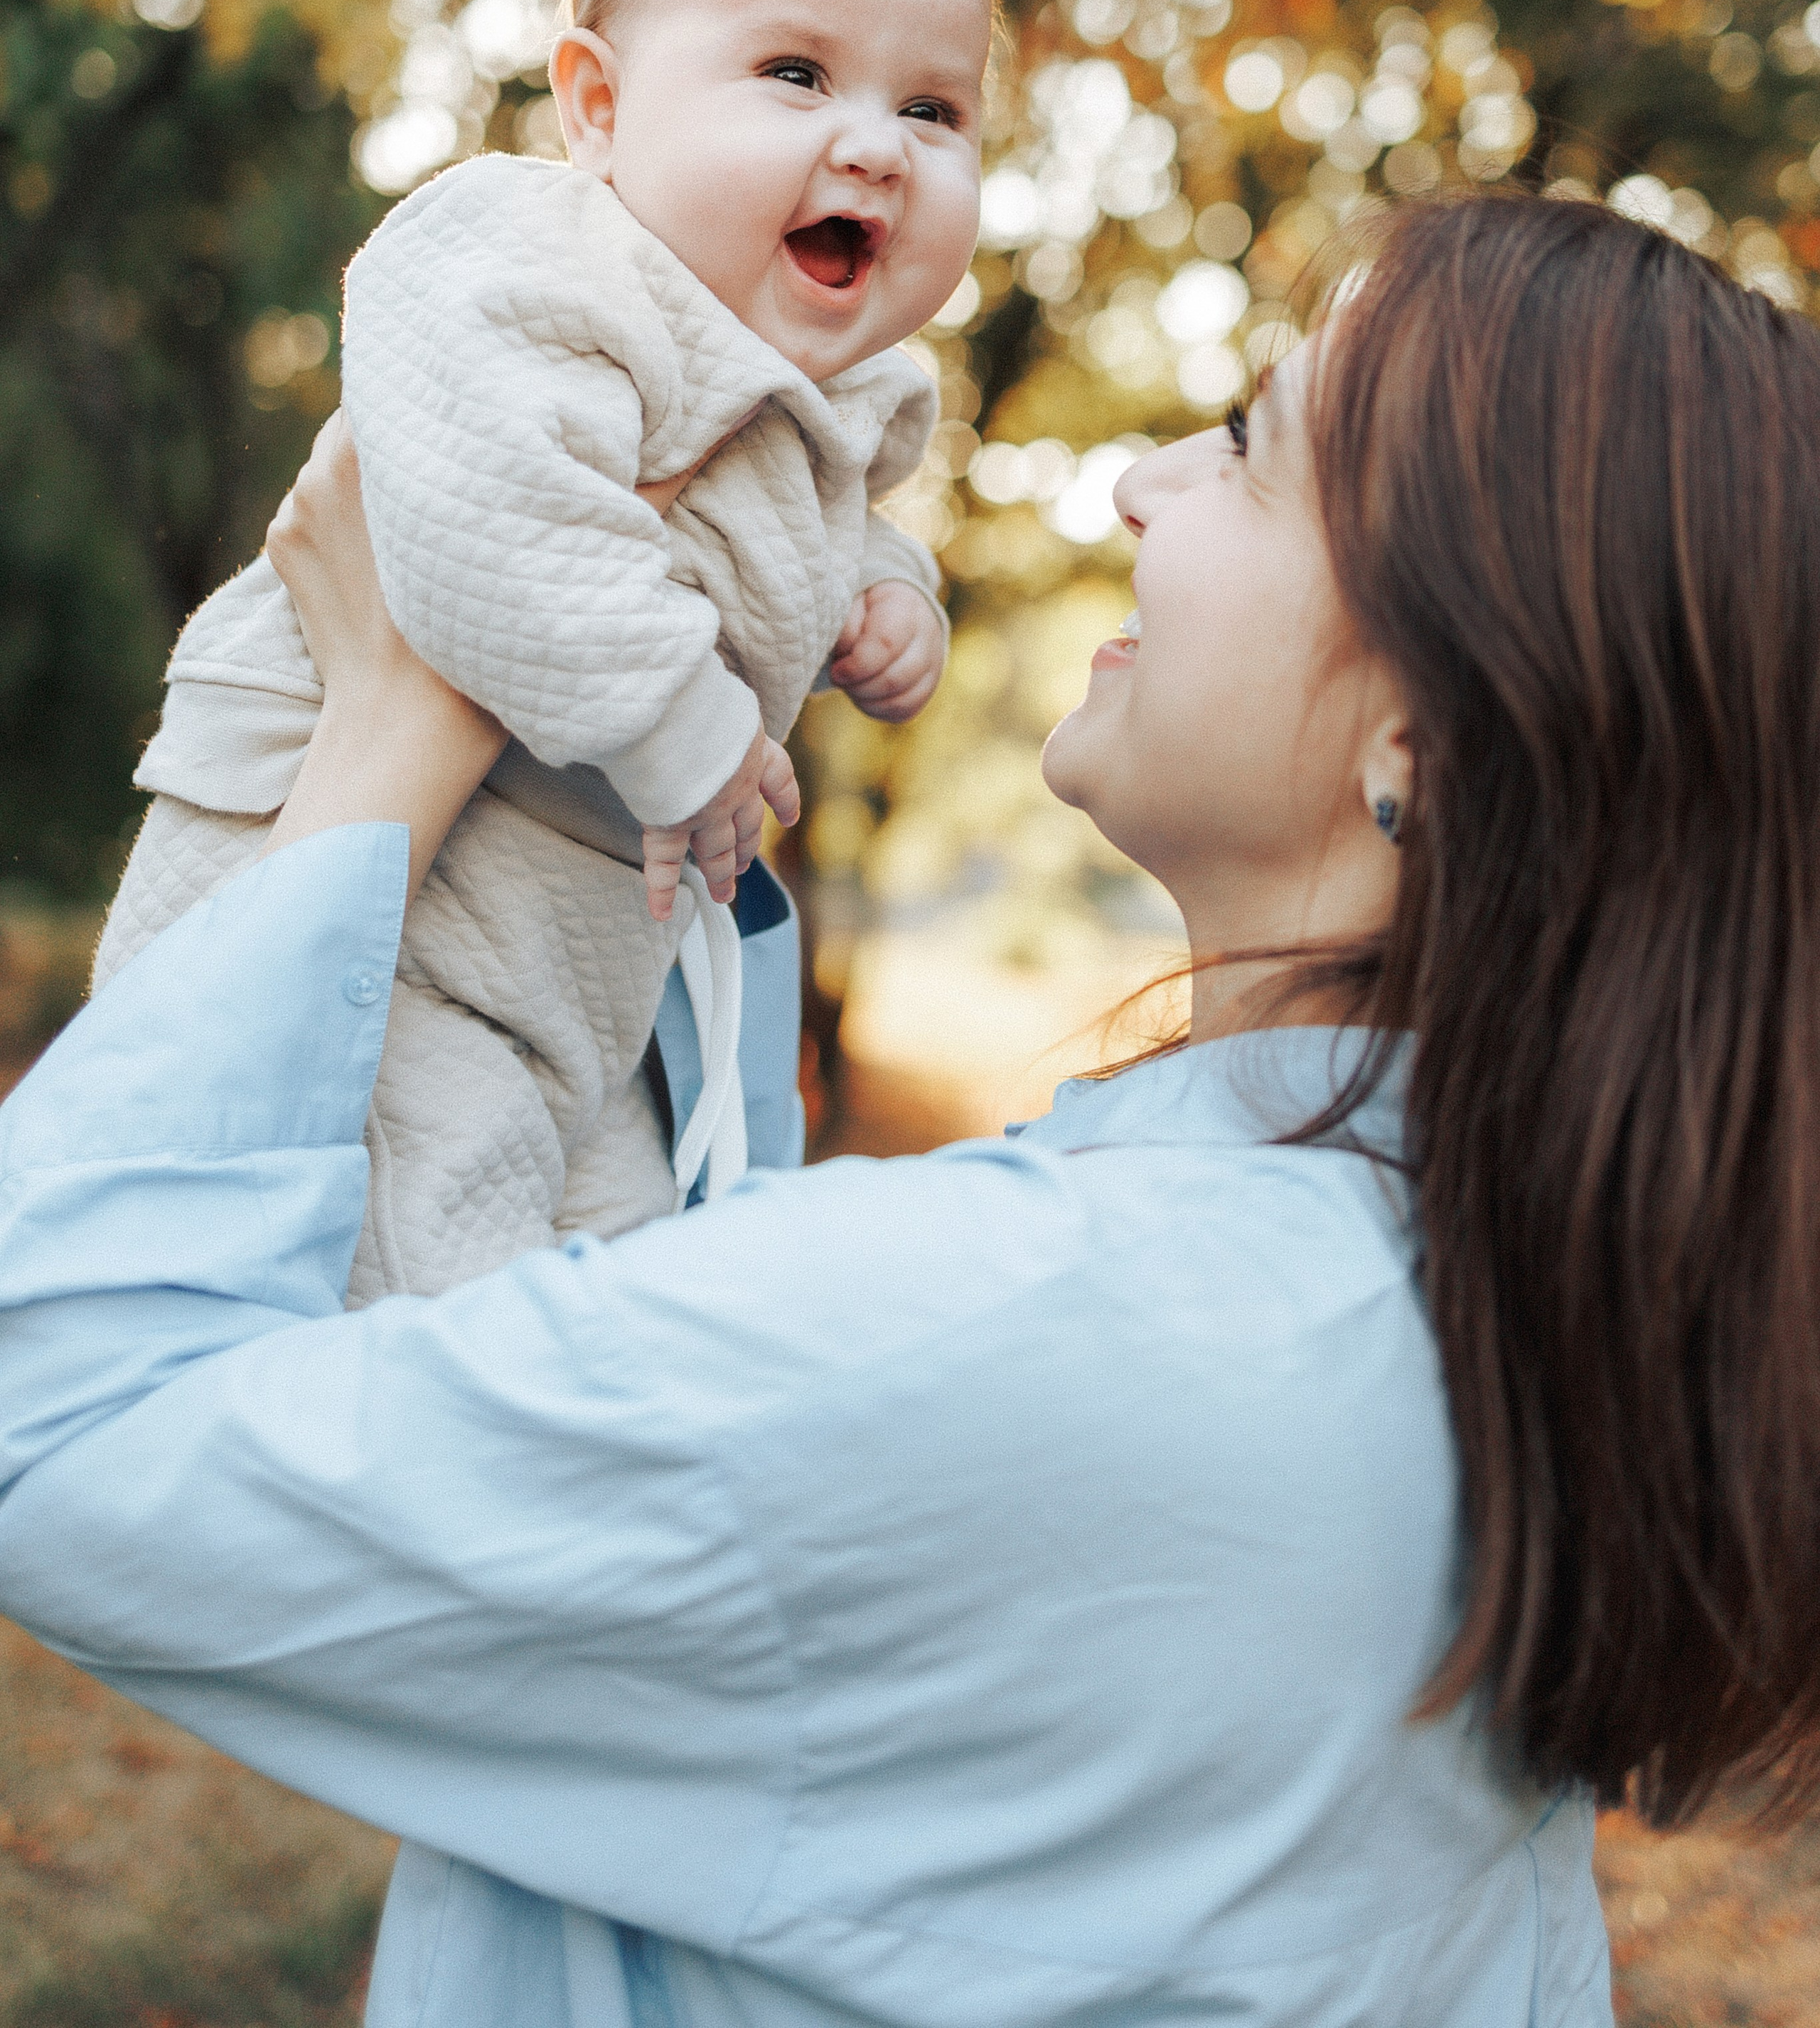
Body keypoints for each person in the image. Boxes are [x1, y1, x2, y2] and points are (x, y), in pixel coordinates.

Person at [6, 188, 1820, 2024]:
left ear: (1417, 740)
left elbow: (56, 1432)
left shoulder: (1062, 1328)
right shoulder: (1493, 1294)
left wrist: (391, 727)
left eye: (1258, 452)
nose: (1141, 483)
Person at [92, 0, 987, 1302]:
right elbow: (488, 518)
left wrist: (886, 594)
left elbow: (810, 531)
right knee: (439, 1307)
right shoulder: (520, 259)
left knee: (627, 1316)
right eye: (794, 72)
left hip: (579, 988)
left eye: (932, 109)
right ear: (597, 105)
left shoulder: (832, 396)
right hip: (368, 914)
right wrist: (683, 726)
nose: (875, 146)